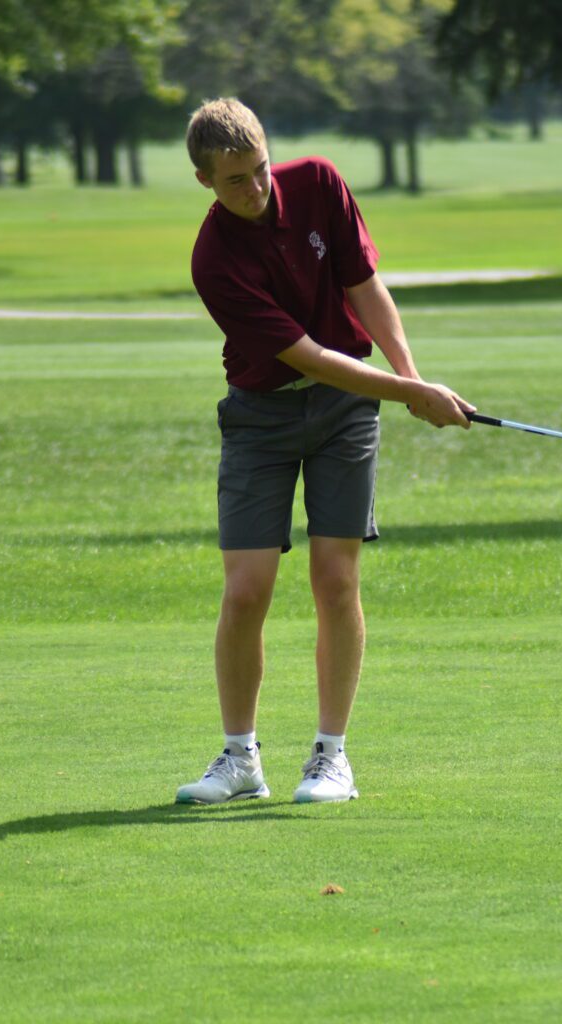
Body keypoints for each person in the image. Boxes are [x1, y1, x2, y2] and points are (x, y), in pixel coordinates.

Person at [175, 98, 475, 806]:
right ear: (205, 182)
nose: (256, 188)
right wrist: (412, 394)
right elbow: (308, 356)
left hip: (345, 415)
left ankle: (331, 757)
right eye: (235, 181)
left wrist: (412, 379)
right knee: (246, 590)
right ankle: (240, 758)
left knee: (336, 580)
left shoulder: (318, 183)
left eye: (260, 169)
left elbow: (364, 287)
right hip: (260, 418)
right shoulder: (213, 259)